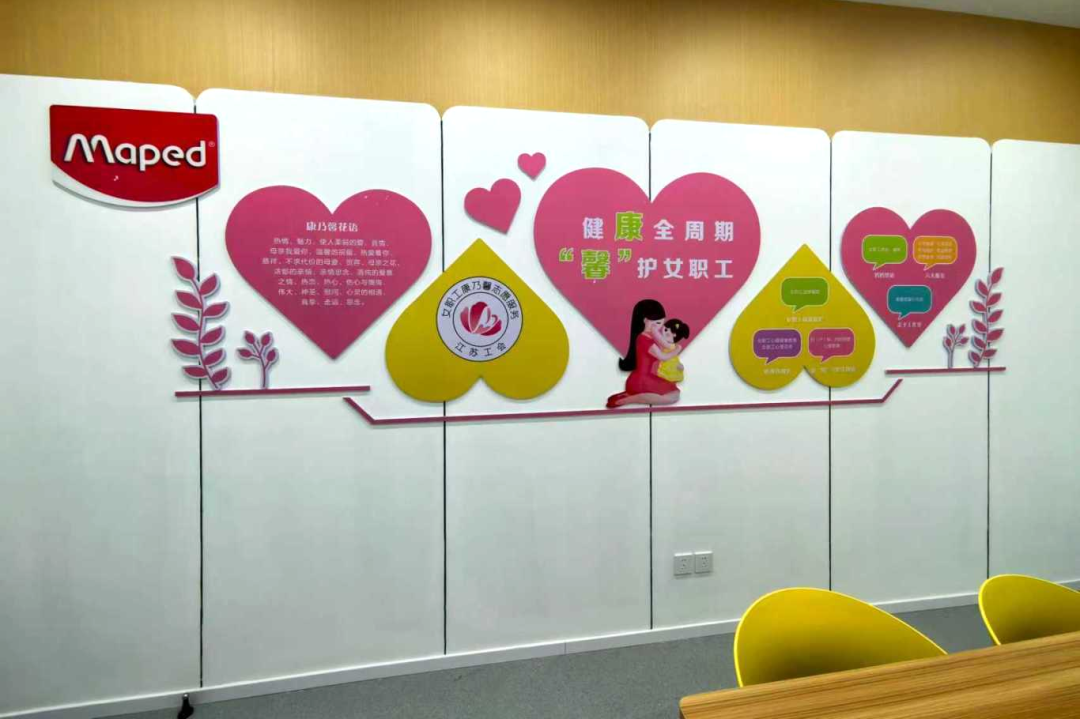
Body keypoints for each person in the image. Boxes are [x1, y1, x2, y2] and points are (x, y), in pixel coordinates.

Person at [606, 299, 683, 408]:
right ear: (645, 320)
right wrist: (676, 350)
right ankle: (629, 400)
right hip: (642, 380)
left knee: (675, 393)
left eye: (661, 323)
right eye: (657, 323)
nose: (659, 327)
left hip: (647, 377)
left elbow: (665, 346)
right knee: (673, 396)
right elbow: (662, 357)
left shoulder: (651, 336)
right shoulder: (644, 339)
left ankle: (629, 395)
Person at [655, 319, 690, 383]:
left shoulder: (669, 345)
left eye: (667, 332)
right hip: (670, 363)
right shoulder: (672, 345)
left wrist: (654, 330)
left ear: (674, 335)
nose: (663, 333)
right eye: (664, 330)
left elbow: (659, 338)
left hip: (669, 364)